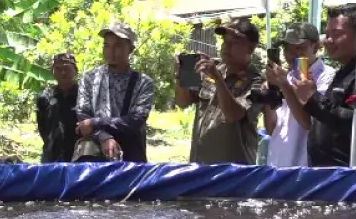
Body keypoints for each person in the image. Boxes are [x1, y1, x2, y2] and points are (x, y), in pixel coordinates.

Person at [304, 4, 356, 167]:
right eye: (327, 34)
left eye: (337, 34)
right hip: (327, 175)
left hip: (351, 179)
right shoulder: (344, 72)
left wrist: (313, 97)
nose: (328, 40)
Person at [176, 17, 265, 164]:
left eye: (234, 42)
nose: (226, 46)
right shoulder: (213, 70)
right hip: (200, 167)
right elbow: (182, 102)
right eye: (225, 41)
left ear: (251, 48)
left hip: (232, 173)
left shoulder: (257, 82)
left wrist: (218, 79)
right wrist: (182, 76)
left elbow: (234, 114)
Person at [75, 22, 156, 163]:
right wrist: (104, 137)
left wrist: (95, 122)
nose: (111, 51)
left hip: (131, 152)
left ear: (130, 49)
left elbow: (136, 120)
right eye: (107, 45)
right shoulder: (90, 78)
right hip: (94, 152)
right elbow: (83, 117)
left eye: (118, 46)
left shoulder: (143, 82)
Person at [263, 23, 336, 167]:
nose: (293, 53)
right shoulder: (286, 77)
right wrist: (270, 94)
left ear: (315, 47)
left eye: (299, 47)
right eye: (287, 48)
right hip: (277, 163)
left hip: (304, 168)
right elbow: (272, 128)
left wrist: (285, 86)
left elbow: (308, 123)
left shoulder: (327, 76)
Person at [36, 53, 80, 163]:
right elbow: (42, 126)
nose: (63, 73)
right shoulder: (45, 97)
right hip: (52, 155)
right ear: (53, 72)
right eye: (58, 69)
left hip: (79, 154)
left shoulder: (84, 95)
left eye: (67, 68)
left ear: (75, 71)